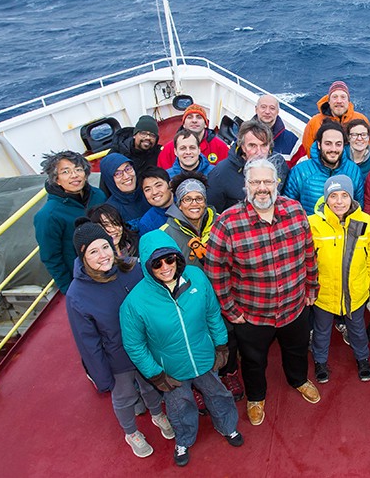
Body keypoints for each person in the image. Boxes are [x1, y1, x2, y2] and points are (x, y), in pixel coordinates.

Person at [205, 158, 321, 428]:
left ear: (277, 183)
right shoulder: (227, 223)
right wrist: (231, 311)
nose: (262, 188)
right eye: (255, 182)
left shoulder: (295, 211)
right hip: (253, 315)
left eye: (267, 181)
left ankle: (299, 379)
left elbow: (308, 253)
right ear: (246, 186)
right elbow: (216, 272)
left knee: (297, 350)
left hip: (294, 307)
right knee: (254, 361)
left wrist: (311, 287)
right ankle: (256, 397)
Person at [120, 230, 244, 467]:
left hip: (204, 357)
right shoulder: (135, 302)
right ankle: (184, 440)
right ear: (147, 266)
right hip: (171, 369)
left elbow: (212, 313)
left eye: (170, 259)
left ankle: (228, 426)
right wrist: (156, 374)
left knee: (218, 394)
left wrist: (220, 344)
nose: (165, 267)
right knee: (179, 405)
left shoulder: (196, 276)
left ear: (178, 258)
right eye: (156, 263)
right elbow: (134, 345)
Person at [66, 218, 173, 458]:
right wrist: (102, 378)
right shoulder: (77, 294)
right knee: (124, 397)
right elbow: (87, 342)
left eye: (105, 246)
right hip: (117, 358)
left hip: (146, 349)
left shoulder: (132, 268)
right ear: (82, 257)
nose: (103, 255)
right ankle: (131, 432)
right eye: (93, 251)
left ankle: (157, 414)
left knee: (151, 386)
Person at [308, 175, 370, 384]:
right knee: (321, 330)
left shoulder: (367, 222)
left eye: (344, 195)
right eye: (334, 196)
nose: (339, 201)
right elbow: (307, 258)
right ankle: (320, 361)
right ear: (326, 198)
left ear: (352, 197)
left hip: (355, 291)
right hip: (324, 292)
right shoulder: (313, 224)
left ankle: (363, 358)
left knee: (357, 328)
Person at [34, 150, 106, 293]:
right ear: (56, 179)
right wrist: (70, 289)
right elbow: (51, 257)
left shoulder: (98, 195)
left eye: (78, 169)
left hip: (108, 262)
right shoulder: (49, 215)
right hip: (85, 279)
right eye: (65, 172)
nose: (74, 175)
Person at [207, 118, 289, 212]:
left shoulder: (279, 164)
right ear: (243, 147)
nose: (259, 152)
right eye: (252, 146)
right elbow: (212, 212)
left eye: (264, 145)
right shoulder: (221, 173)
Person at [284, 121, 364, 215]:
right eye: (328, 143)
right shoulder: (300, 172)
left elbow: (359, 209)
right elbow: (288, 209)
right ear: (319, 145)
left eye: (338, 144)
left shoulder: (353, 171)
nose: (333, 149)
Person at [160, 173, 216, 269]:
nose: (194, 204)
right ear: (180, 205)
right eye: (188, 199)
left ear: (205, 202)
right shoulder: (165, 234)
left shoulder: (221, 223)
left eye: (199, 198)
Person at [300, 81, 369, 159]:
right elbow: (308, 150)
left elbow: (369, 147)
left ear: (348, 101)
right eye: (334, 97)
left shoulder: (361, 119)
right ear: (329, 101)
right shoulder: (314, 123)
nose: (339, 101)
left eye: (343, 97)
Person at [157, 104, 229, 169]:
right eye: (190, 117)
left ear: (206, 124)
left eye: (199, 117)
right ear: (184, 124)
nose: (194, 120)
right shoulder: (168, 149)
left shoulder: (220, 147)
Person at [99, 153, 151, 232]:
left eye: (128, 169)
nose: (126, 176)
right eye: (118, 174)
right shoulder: (110, 211)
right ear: (109, 179)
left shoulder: (149, 192)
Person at [253, 94, 300, 161]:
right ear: (256, 109)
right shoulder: (244, 136)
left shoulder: (292, 140)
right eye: (263, 107)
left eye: (272, 108)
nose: (267, 112)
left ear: (277, 111)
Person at [137, 167, 173, 235]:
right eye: (148, 190)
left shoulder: (186, 205)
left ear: (170, 184)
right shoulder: (147, 223)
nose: (154, 192)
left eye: (158, 185)